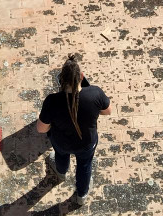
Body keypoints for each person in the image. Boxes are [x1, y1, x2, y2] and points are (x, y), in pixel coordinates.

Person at [36, 54, 111, 205]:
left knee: (61, 156)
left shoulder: (52, 101)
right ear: (82, 77)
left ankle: (61, 173)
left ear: (60, 80)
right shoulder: (95, 93)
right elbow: (107, 111)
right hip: (87, 143)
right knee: (84, 165)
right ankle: (81, 195)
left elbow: (41, 129)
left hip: (61, 142)